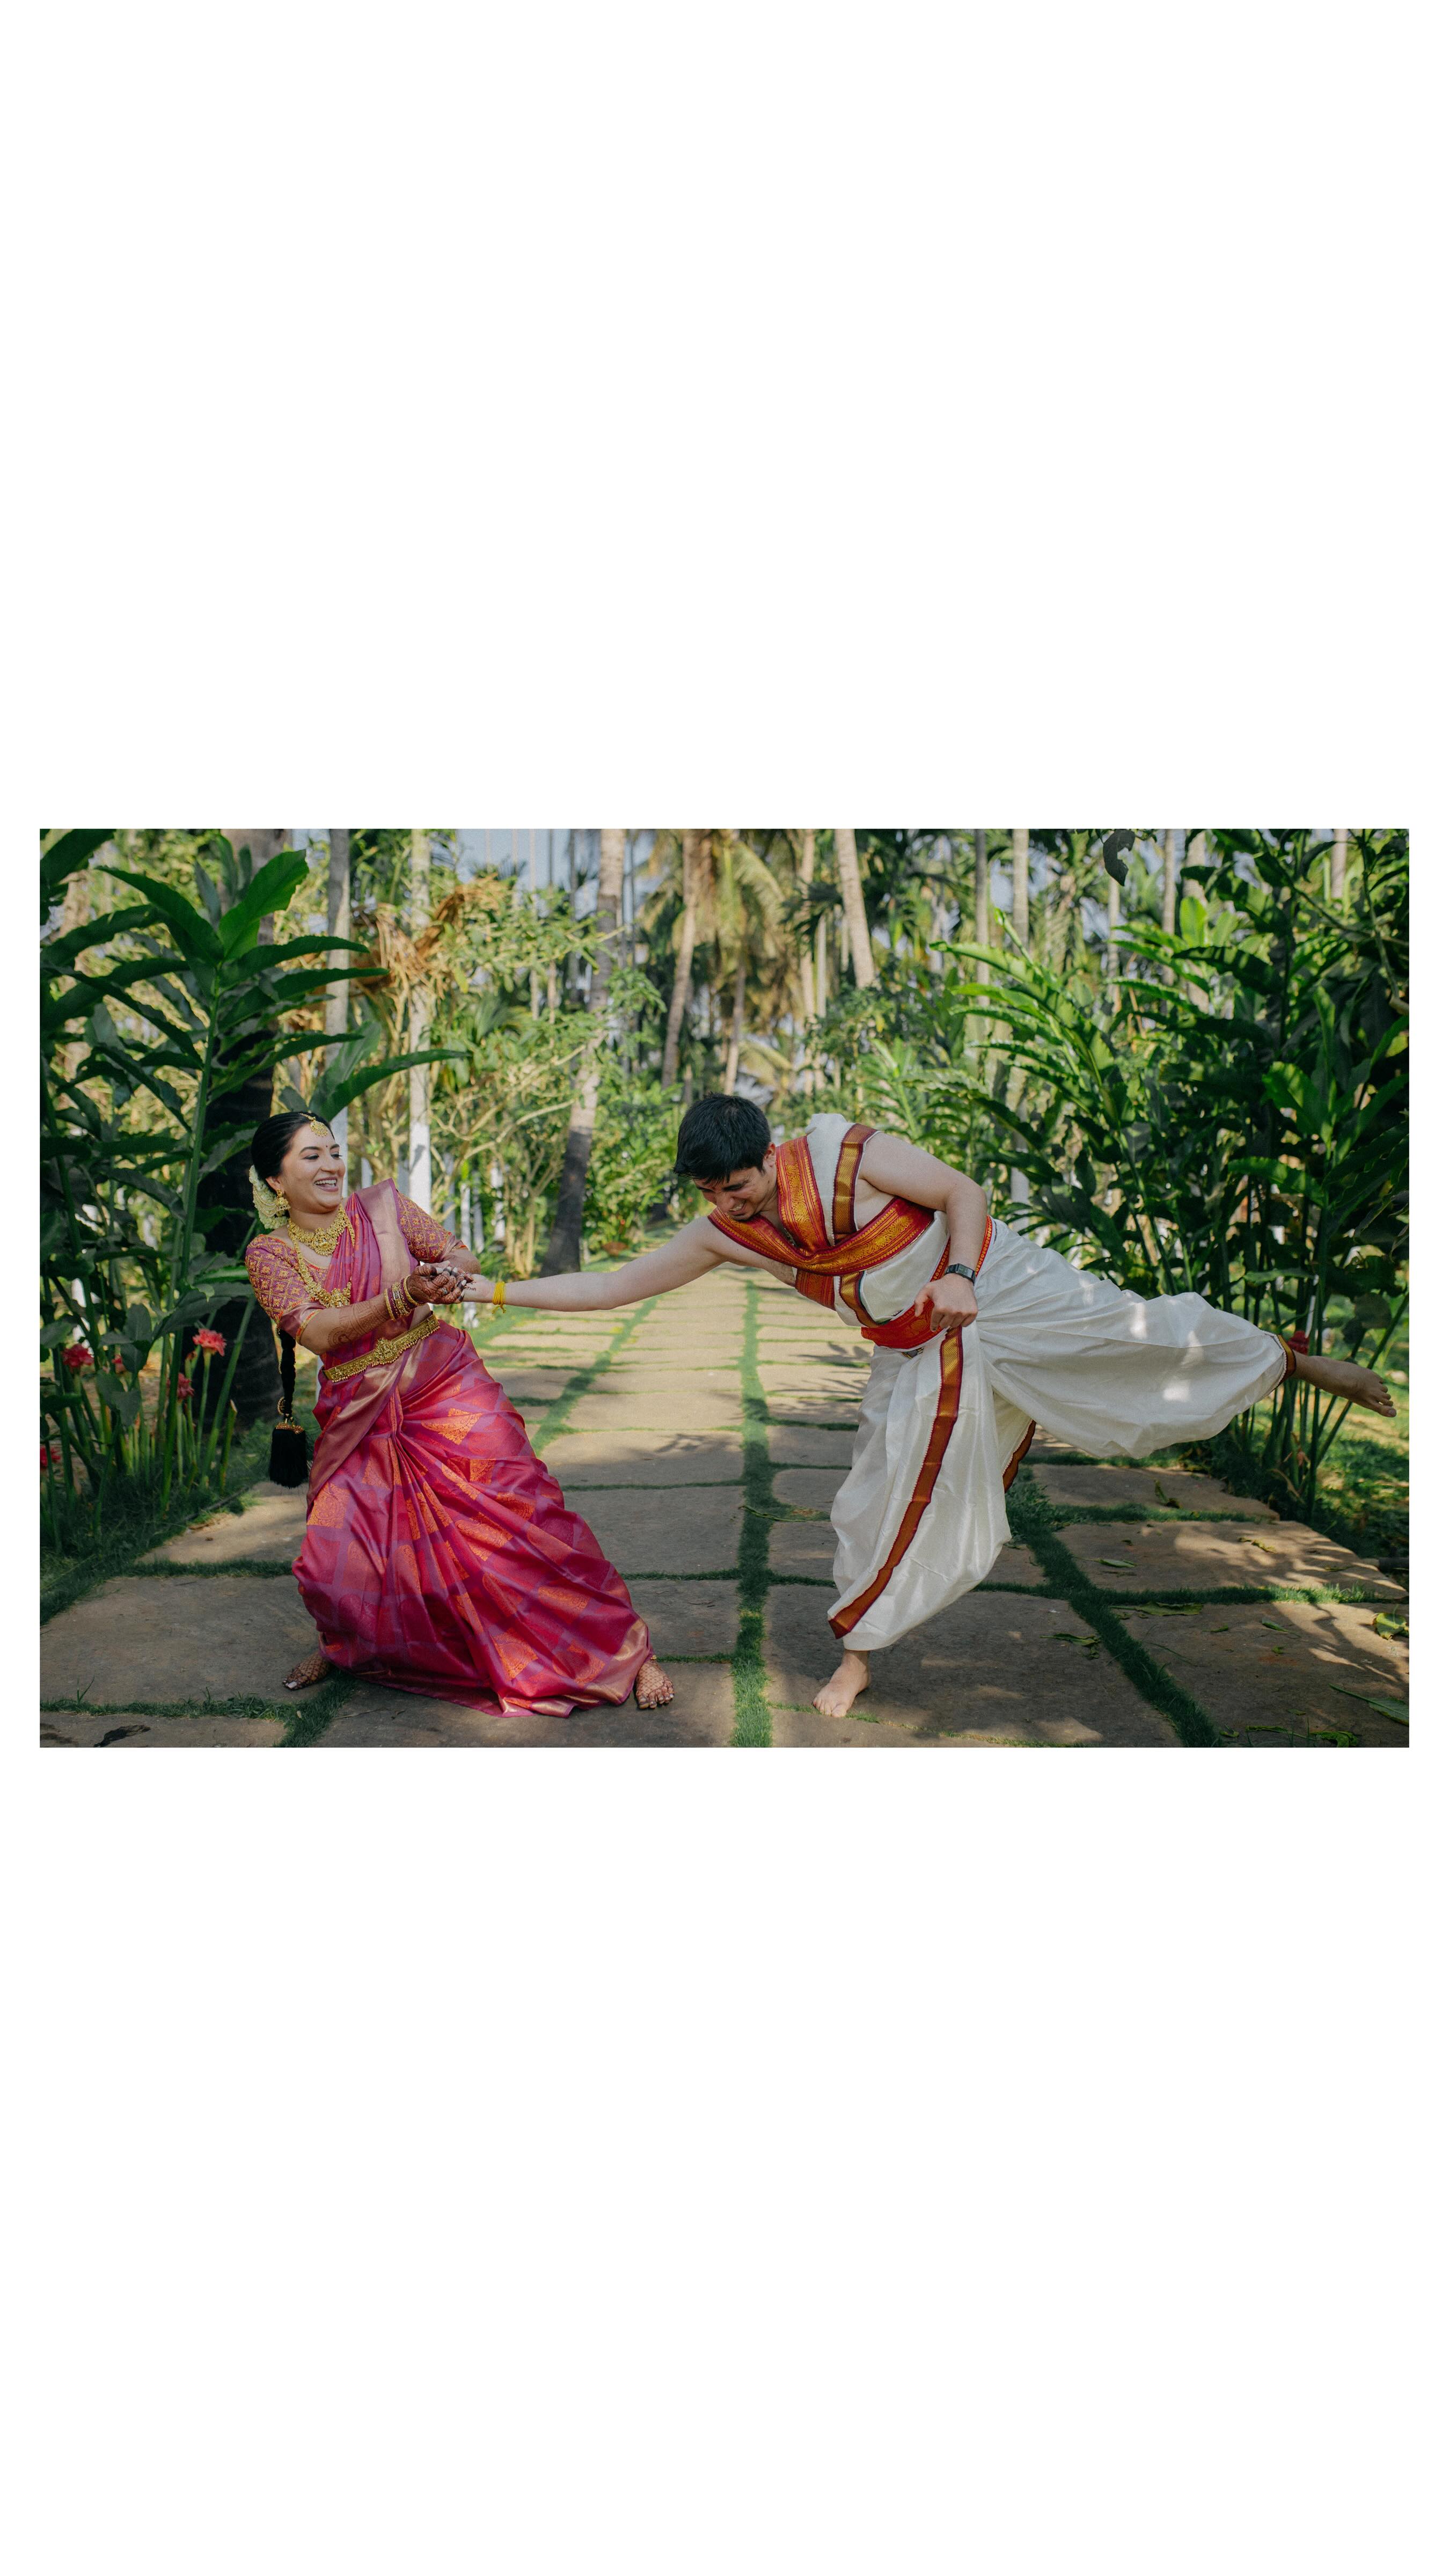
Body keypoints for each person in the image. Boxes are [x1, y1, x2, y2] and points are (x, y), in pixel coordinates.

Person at [453, 1094, 1397, 1720]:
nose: (728, 1205)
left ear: (768, 1156)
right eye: (708, 1193)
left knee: (1141, 1337)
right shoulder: (723, 1232)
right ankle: (862, 1652)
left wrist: (959, 1273)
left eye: (736, 1186)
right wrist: (486, 1292)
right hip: (914, 1343)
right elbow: (614, 1287)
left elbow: (962, 1193)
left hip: (1000, 1287)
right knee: (873, 1497)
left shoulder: (847, 1157)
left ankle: (1294, 1363)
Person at [243, 1111, 674, 1716]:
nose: (331, 1165)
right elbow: (316, 1332)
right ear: (274, 1181)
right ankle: (352, 1648)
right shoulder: (269, 1254)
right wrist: (403, 1294)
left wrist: (441, 1278)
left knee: (525, 1521)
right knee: (343, 1552)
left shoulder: (384, 1210)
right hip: (358, 1408)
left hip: (442, 1383)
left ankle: (627, 1648)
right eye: (311, 1157)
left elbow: (458, 1256)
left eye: (334, 1152)